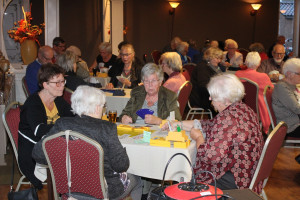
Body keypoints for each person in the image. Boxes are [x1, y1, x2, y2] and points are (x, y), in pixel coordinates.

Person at [32, 86, 142, 199]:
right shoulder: (106, 128)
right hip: (104, 191)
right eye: (103, 106)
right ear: (96, 108)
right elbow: (121, 165)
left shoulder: (62, 124)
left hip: (69, 188)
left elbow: (38, 154)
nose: (103, 109)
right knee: (137, 179)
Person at [164, 73, 263, 192]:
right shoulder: (244, 109)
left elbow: (210, 157)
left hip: (235, 179)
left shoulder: (228, 118)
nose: (210, 99)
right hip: (248, 172)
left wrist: (199, 138)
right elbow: (210, 124)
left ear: (225, 99)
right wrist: (178, 124)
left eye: (213, 97)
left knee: (184, 175)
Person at [18, 63, 74, 190]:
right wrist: (63, 125)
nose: (62, 86)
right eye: (57, 83)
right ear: (45, 85)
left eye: (62, 81)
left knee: (82, 153)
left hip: (53, 145)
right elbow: (39, 130)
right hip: (34, 153)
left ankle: (75, 193)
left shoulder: (57, 99)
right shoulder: (33, 103)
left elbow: (72, 117)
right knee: (79, 158)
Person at [236, 52, 274, 134]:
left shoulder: (238, 74)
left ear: (245, 62)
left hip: (240, 108)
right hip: (258, 110)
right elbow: (271, 91)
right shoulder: (263, 77)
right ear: (259, 63)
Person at [189, 47, 223, 114]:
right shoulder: (202, 67)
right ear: (210, 57)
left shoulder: (212, 66)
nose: (219, 61)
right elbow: (203, 86)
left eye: (220, 58)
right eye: (217, 58)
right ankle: (220, 120)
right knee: (225, 101)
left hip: (206, 94)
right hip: (201, 97)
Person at [272, 58, 300, 137]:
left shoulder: (292, 85)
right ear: (289, 74)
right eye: (299, 73)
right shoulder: (282, 87)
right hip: (290, 126)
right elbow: (297, 109)